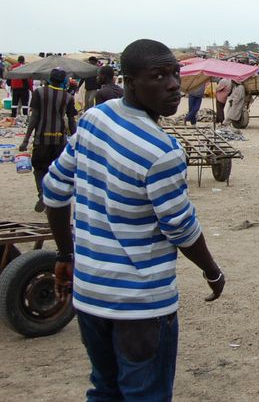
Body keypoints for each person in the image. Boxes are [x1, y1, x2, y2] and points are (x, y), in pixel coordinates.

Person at [42, 38, 224, 400]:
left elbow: (54, 191)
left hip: (91, 294)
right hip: (140, 305)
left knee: (105, 390)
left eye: (175, 73)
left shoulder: (94, 119)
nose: (173, 84)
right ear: (130, 81)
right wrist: (212, 271)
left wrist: (65, 255)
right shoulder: (162, 151)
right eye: (158, 76)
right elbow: (181, 228)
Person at [19, 68, 77, 212]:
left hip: (41, 138)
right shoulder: (67, 97)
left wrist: (26, 140)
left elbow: (34, 117)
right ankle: (53, 198)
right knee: (56, 170)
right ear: (64, 81)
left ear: (50, 79)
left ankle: (42, 193)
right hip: (59, 140)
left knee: (39, 168)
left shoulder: (39, 92)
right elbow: (71, 120)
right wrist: (76, 140)